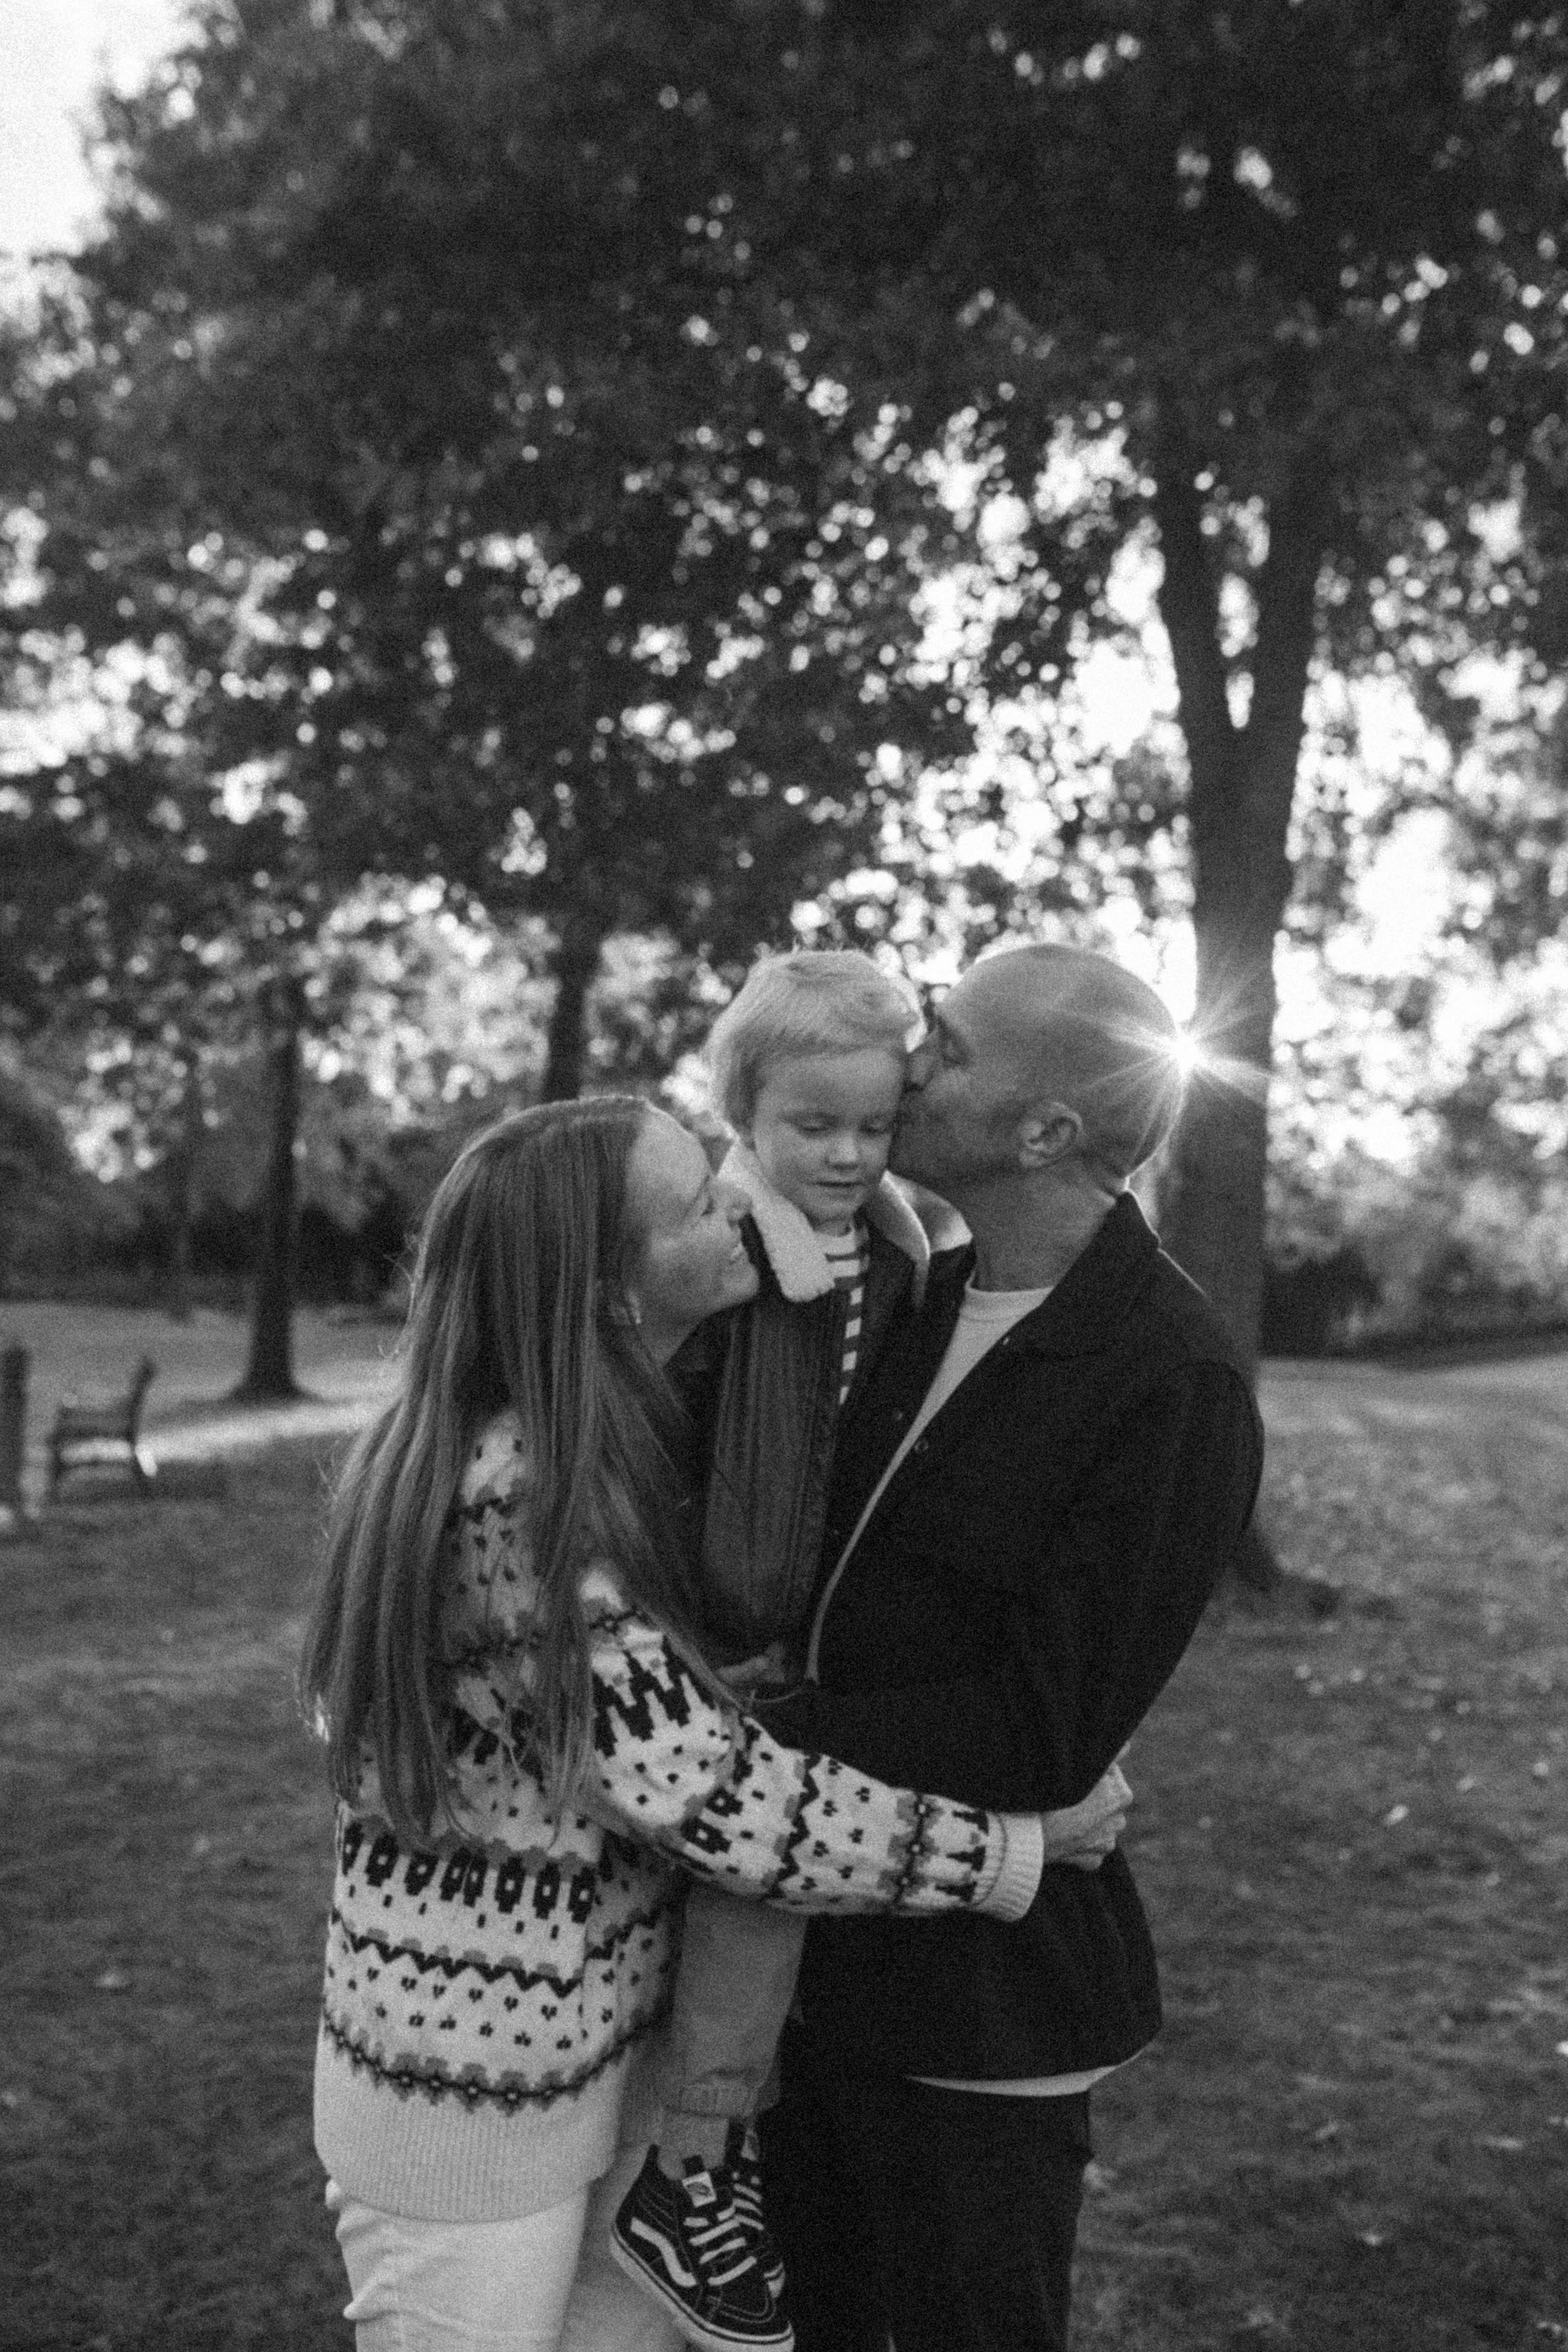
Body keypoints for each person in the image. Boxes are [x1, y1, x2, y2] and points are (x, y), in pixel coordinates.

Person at [301, 1094, 1083, 2352]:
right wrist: (1001, 1852)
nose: (739, 1201)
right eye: (698, 1203)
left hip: (606, 2063)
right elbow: (708, 1792)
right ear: (612, 1291)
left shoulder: (619, 1443)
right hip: (470, 2097)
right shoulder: (516, 1495)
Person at [758, 942, 1268, 2352]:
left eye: (953, 1046)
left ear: (1045, 1131)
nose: (911, 1060)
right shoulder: (921, 1286)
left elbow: (1040, 1729)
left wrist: (738, 1739)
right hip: (804, 1969)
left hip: (977, 2022)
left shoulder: (1170, 1376)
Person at [613, 953, 1131, 2339]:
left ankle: (700, 2153)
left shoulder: (947, 1265)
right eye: (814, 1124)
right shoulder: (786, 1253)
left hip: (817, 1673)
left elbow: (1040, 1709)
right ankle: (693, 2162)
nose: (865, 1131)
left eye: (895, 1097)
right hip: (734, 1665)